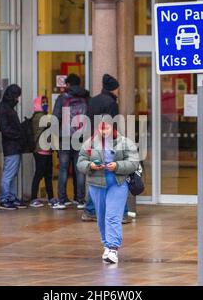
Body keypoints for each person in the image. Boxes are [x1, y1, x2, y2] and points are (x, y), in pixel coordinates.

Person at [77, 118, 140, 263]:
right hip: (96, 185)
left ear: (113, 127)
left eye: (106, 128)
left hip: (117, 184)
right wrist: (91, 165)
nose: (103, 131)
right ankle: (106, 244)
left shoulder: (124, 142)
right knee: (101, 216)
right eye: (101, 128)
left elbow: (133, 162)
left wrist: (117, 166)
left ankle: (113, 248)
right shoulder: (90, 143)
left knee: (112, 216)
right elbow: (80, 162)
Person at [82, 74, 131, 224]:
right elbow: (111, 124)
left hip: (93, 142)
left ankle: (90, 210)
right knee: (116, 177)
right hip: (107, 144)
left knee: (98, 177)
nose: (119, 91)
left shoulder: (93, 100)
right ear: (113, 89)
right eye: (118, 88)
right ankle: (121, 213)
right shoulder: (111, 103)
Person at [52, 74, 89, 210]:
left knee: (63, 169)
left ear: (68, 85)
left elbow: (55, 118)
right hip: (80, 138)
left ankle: (62, 201)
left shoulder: (62, 98)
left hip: (65, 138)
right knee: (79, 169)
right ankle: (80, 200)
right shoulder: (85, 97)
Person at [0, 84, 27, 210]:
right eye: (17, 96)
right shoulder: (4, 108)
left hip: (14, 145)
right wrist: (19, 134)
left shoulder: (7, 107)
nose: (18, 100)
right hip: (11, 146)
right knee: (9, 174)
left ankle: (11, 197)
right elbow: (4, 129)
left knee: (13, 174)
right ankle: (4, 199)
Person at [30, 96, 55, 207]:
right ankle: (33, 198)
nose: (45, 104)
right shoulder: (39, 117)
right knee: (39, 174)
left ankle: (51, 197)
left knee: (48, 175)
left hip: (46, 150)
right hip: (40, 150)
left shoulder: (44, 116)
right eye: (43, 102)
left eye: (46, 102)